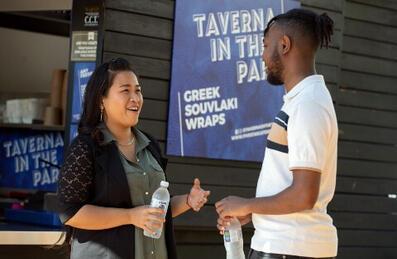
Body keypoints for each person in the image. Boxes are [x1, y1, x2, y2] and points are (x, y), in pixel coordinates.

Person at [57, 58, 210, 259]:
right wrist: (129, 216)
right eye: (125, 90)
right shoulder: (85, 147)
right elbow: (70, 212)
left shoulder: (149, 145)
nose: (135, 98)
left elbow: (152, 212)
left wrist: (188, 201)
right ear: (101, 100)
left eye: (137, 90)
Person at [215, 9, 338, 259]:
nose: (262, 55)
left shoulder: (308, 105)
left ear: (284, 45)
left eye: (265, 45)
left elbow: (304, 194)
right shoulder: (302, 100)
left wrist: (247, 204)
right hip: (285, 246)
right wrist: (255, 212)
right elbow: (290, 187)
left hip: (289, 248)